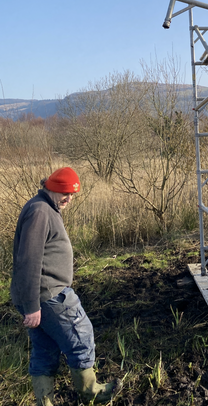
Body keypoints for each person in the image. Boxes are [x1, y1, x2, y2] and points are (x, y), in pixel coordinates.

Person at [10, 167, 122, 405]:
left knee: (45, 350)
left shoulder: (45, 206)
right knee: (81, 337)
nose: (69, 199)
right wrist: (32, 306)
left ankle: (45, 402)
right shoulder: (40, 211)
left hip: (40, 296)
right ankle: (91, 393)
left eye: (72, 195)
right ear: (51, 188)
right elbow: (29, 260)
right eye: (65, 193)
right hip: (50, 296)